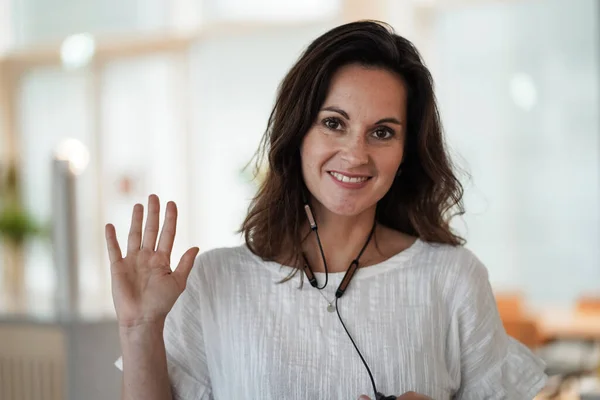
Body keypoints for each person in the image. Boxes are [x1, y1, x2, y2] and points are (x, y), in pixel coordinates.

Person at [108, 20, 547, 400]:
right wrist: (139, 327)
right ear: (298, 133)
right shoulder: (213, 282)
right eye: (334, 123)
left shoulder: (453, 279)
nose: (356, 154)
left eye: (382, 132)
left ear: (405, 152)